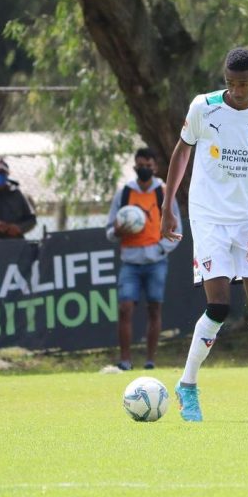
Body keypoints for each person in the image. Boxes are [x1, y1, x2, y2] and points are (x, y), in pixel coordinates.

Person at [160, 47, 248, 422]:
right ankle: (188, 385)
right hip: (208, 216)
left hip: (247, 219)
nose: (236, 90)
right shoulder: (204, 107)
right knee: (218, 305)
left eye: (244, 84)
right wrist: (168, 204)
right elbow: (181, 153)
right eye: (230, 83)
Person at [106, 147, 181, 371]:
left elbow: (176, 228)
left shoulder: (163, 192)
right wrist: (118, 231)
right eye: (141, 166)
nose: (144, 169)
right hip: (130, 261)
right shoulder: (125, 193)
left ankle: (150, 360)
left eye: (149, 166)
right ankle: (126, 360)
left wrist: (160, 249)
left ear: (155, 167)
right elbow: (110, 229)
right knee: (125, 308)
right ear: (134, 167)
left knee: (154, 308)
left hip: (156, 262)